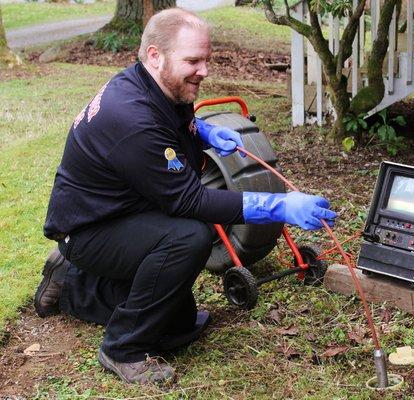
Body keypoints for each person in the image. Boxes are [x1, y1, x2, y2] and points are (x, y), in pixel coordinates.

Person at [33, 8, 336, 385]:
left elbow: (173, 124)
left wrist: (205, 132)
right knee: (189, 236)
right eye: (193, 60)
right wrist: (281, 206)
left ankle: (71, 285)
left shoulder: (159, 85)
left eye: (206, 59)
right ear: (156, 55)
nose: (204, 70)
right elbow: (190, 201)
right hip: (89, 229)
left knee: (176, 321)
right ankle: (123, 349)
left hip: (123, 209)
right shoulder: (129, 118)